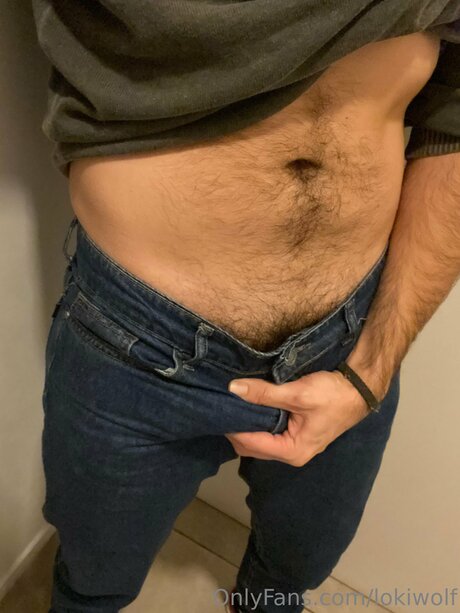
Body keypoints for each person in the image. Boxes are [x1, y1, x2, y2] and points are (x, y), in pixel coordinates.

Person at [32, 2, 460, 612]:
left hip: (350, 339)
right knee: (93, 583)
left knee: (289, 576)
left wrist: (372, 368)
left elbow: (452, 123)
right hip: (133, 340)